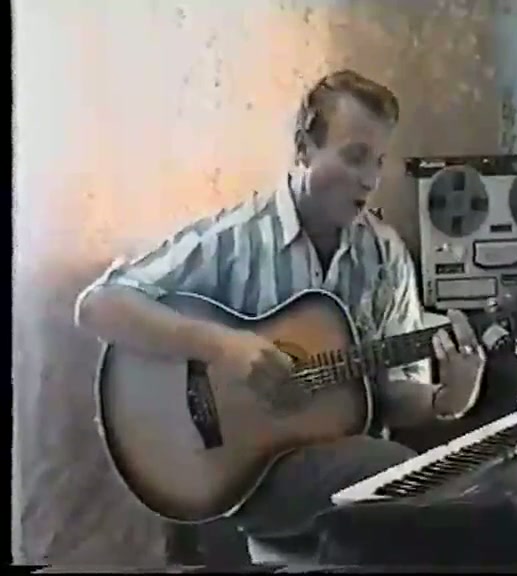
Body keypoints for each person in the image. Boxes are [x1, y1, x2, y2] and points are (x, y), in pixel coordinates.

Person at [74, 69, 487, 565]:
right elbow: (98, 306)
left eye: (378, 162)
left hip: (339, 464)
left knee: (423, 482)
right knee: (395, 473)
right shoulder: (237, 239)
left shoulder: (385, 255)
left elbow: (394, 394)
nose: (370, 180)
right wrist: (221, 346)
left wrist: (446, 399)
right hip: (242, 477)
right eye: (354, 156)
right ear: (304, 149)